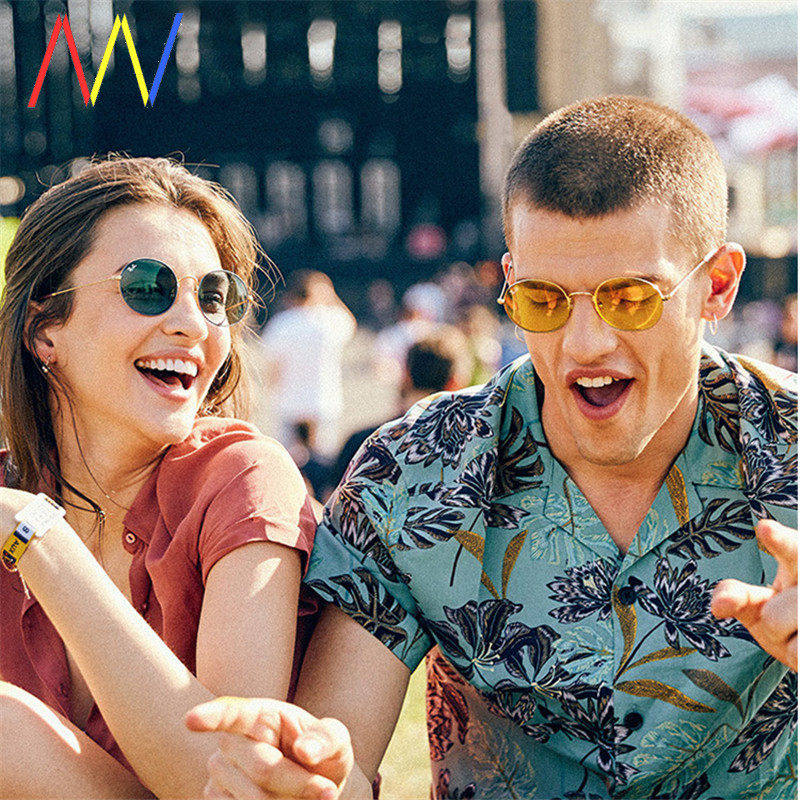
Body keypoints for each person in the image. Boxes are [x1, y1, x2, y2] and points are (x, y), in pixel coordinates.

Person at [187, 97, 797, 800]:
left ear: (717, 285)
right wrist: (309, 778)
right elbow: (336, 752)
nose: (585, 344)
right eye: (544, 300)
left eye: (630, 299)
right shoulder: (416, 470)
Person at [0, 156, 319, 799]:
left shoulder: (243, 480)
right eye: (149, 286)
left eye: (214, 296)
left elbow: (229, 783)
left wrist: (38, 537)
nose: (193, 323)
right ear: (44, 329)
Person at [330, 326, 471, 492]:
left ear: (406, 375)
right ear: (455, 383)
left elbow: (332, 500)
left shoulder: (365, 443)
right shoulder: (470, 451)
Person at [259, 269, 356, 456]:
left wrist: (271, 394)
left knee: (286, 459)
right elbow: (350, 323)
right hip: (323, 401)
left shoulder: (281, 323)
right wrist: (330, 295)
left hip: (289, 402)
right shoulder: (330, 320)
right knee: (323, 459)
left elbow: (273, 367)